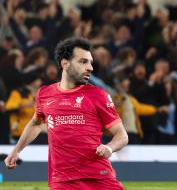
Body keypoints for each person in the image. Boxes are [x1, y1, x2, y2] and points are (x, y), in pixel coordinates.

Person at [4, 37, 128, 190]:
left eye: (90, 62)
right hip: (62, 182)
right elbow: (35, 123)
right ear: (65, 63)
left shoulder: (99, 95)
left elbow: (122, 135)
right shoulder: (45, 94)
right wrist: (16, 151)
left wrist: (109, 148)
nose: (90, 68)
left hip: (98, 178)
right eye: (83, 62)